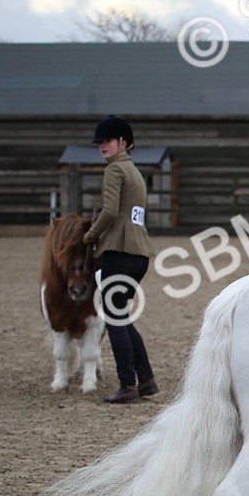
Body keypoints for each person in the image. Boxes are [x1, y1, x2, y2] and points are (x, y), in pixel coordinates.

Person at [83, 115, 158, 404]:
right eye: (100, 142)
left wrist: (91, 235)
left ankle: (127, 384)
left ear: (124, 143)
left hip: (120, 251)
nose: (103, 146)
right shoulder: (135, 172)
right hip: (139, 254)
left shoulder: (114, 170)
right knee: (122, 317)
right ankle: (147, 379)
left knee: (114, 319)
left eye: (108, 141)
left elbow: (111, 211)